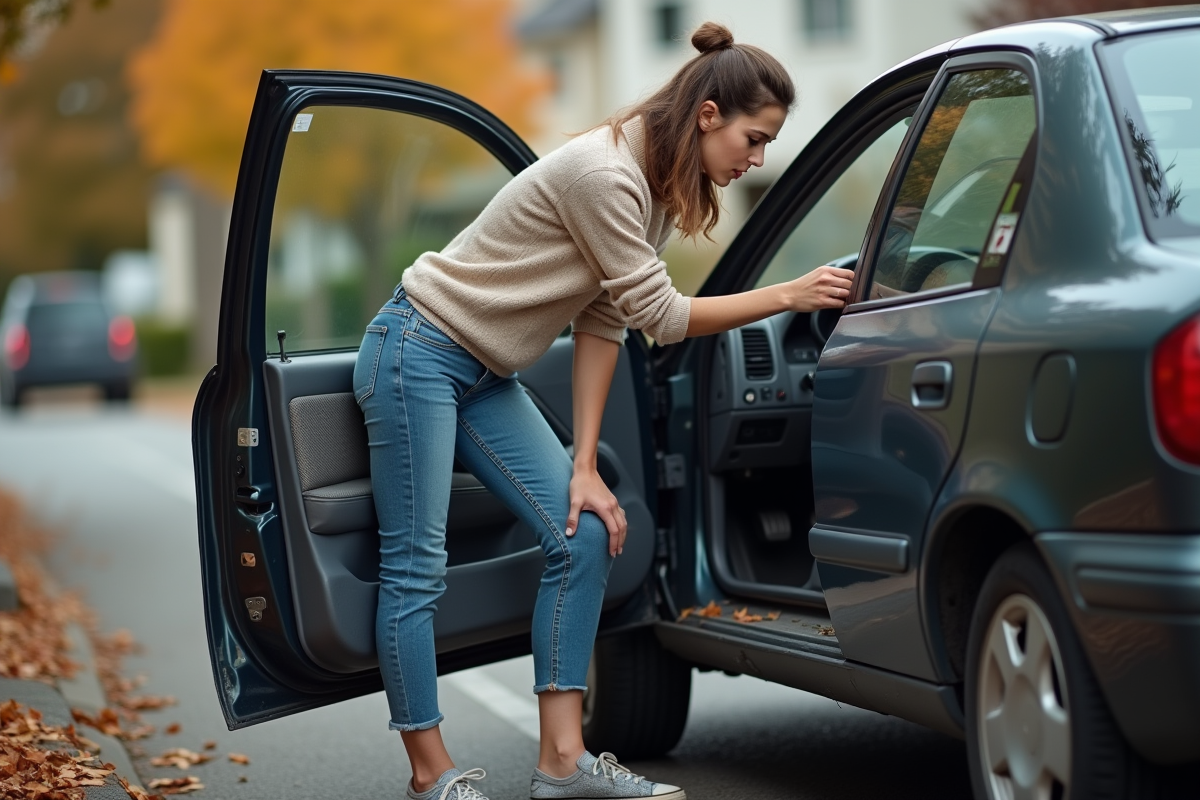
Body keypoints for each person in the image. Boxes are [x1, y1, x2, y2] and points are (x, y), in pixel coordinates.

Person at [353, 21, 854, 800]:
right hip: (419, 349)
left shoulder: (653, 184)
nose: (757, 160)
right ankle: (431, 774)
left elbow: (604, 322)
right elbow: (661, 315)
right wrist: (788, 294)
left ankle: (562, 764)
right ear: (709, 115)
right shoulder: (607, 175)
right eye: (754, 140)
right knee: (416, 566)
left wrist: (584, 466)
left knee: (584, 532)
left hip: (485, 372)